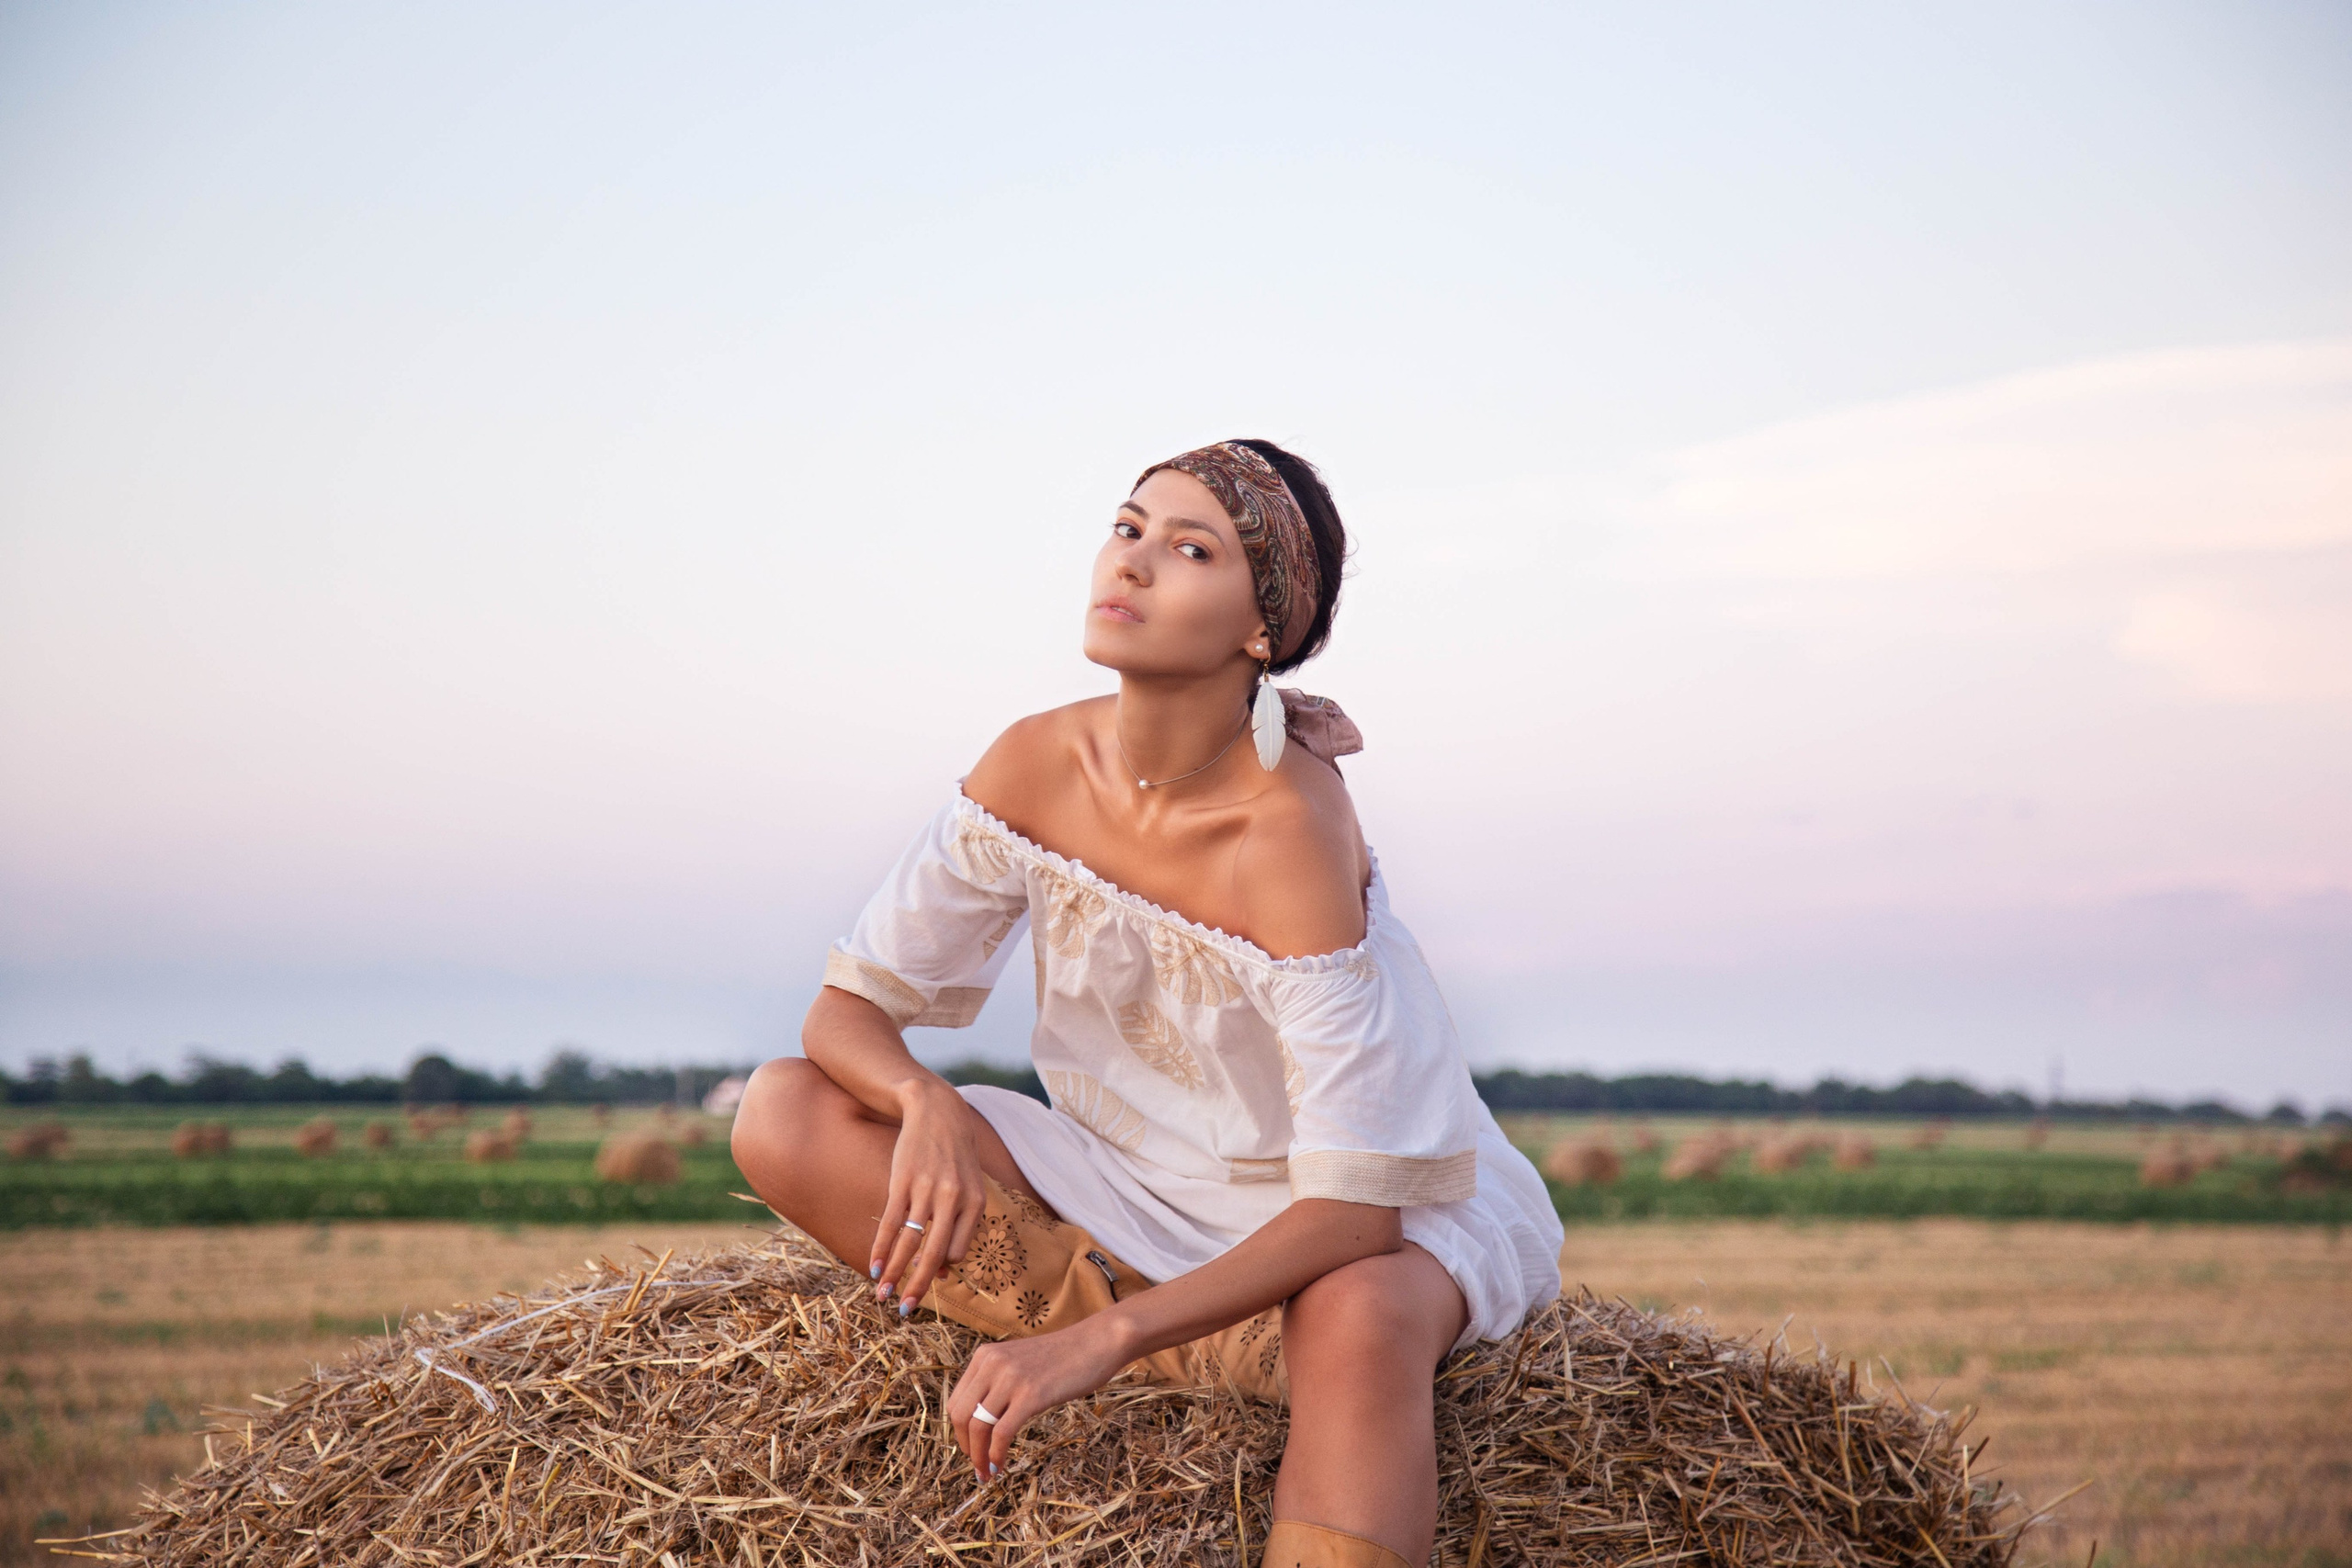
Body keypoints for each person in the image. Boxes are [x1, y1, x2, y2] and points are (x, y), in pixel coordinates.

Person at [732, 440, 1563, 1568]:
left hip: (1327, 1206)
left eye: (1190, 550)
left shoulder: (1287, 829)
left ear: (1261, 629)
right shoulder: (1035, 762)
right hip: (1116, 1173)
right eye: (1127, 529)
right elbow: (846, 1011)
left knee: (1359, 1317)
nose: (1130, 564)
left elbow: (1357, 1212)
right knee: (784, 1112)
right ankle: (1216, 1346)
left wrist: (1105, 1338)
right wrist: (922, 1102)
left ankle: (1168, 1334)